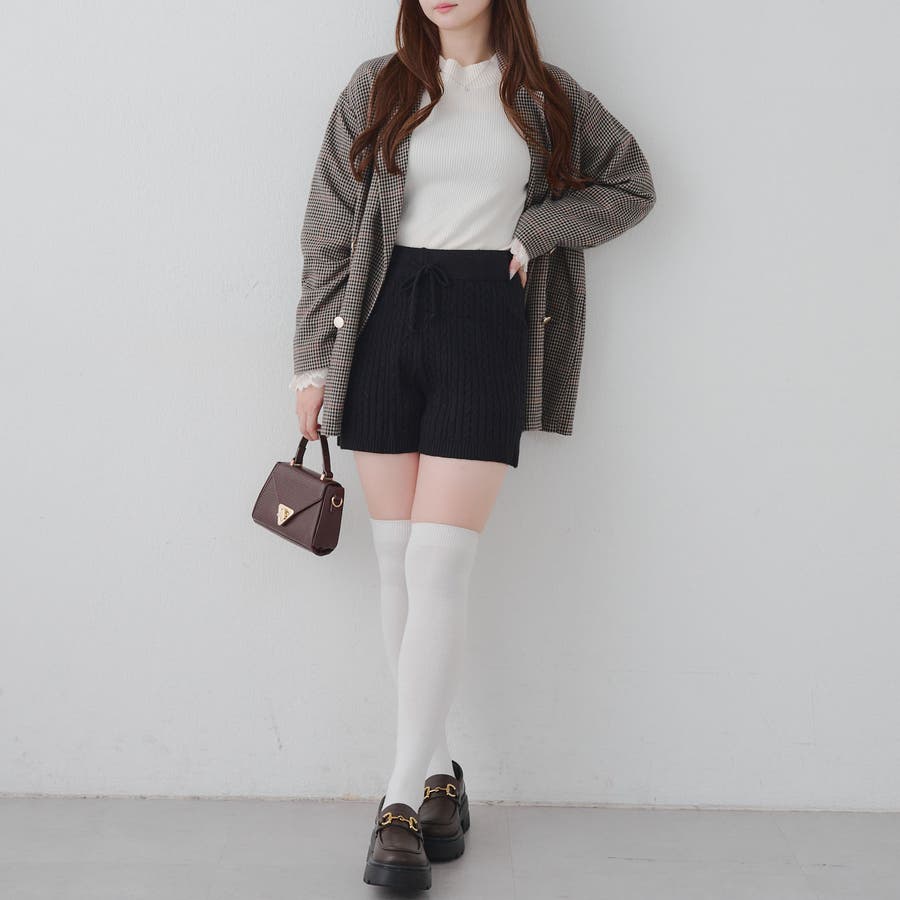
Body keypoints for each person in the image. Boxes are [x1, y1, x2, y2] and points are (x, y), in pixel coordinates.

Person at [289, 0, 656, 890]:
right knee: (395, 558)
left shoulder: (547, 97)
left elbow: (631, 186)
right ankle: (438, 775)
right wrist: (310, 362)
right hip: (381, 322)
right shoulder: (377, 89)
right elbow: (329, 228)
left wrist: (538, 231)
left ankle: (397, 802)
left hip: (487, 323)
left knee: (440, 562)